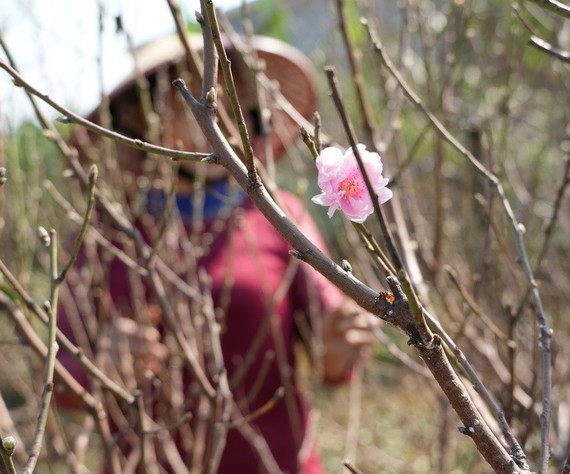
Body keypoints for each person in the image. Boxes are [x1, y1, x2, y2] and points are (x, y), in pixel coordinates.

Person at [56, 32, 377, 474]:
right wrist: (99, 371)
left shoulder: (282, 218)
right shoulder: (103, 236)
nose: (221, 109)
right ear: (139, 116)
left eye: (234, 93)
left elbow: (331, 352)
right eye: (194, 93)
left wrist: (340, 347)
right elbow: (59, 381)